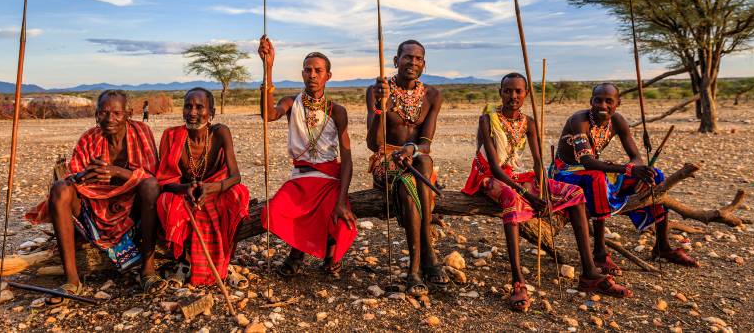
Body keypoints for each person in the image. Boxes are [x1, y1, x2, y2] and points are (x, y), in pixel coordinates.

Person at [462, 73, 631, 310]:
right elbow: (493, 167)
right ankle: (518, 282)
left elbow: (538, 163)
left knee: (573, 193)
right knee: (512, 198)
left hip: (518, 175)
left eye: (518, 91)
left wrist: (543, 188)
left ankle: (590, 273)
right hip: (490, 176)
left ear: (526, 94)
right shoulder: (487, 120)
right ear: (500, 93)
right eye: (508, 91)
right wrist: (529, 195)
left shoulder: (529, 122)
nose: (513, 96)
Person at [25, 90, 165, 304]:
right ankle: (72, 281)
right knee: (60, 189)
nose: (110, 119)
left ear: (129, 113)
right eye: (104, 112)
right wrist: (84, 175)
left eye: (117, 113)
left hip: (132, 209)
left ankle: (147, 272)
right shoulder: (90, 137)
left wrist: (117, 172)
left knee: (151, 186)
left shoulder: (141, 131)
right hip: (93, 208)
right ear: (96, 114)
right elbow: (74, 175)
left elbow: (152, 174)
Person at [551, 83, 699, 278]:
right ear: (591, 102)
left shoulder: (618, 121)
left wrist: (637, 171)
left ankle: (662, 246)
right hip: (566, 173)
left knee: (656, 176)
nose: (603, 105)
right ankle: (600, 253)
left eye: (609, 101)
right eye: (598, 100)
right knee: (597, 179)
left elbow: (636, 157)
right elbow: (587, 162)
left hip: (595, 168)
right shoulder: (580, 121)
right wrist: (629, 169)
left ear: (618, 103)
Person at [257, 35, 357, 278]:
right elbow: (269, 115)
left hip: (329, 178)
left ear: (328, 76)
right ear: (302, 74)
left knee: (336, 214)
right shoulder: (292, 103)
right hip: (301, 178)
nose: (312, 75)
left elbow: (347, 158)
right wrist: (268, 67)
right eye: (308, 70)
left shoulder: (338, 111)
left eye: (318, 71)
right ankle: (301, 253)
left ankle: (321, 254)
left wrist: (343, 199)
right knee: (272, 212)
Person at [366, 39, 449, 296]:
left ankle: (416, 267)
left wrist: (411, 150)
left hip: (416, 159)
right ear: (395, 60)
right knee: (405, 183)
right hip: (386, 158)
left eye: (418, 59)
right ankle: (424, 259)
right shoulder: (377, 90)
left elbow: (425, 143)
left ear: (424, 64)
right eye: (407, 57)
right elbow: (373, 144)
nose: (413, 62)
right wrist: (381, 109)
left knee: (422, 163)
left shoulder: (433, 95)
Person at [155, 87, 250, 286]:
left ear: (212, 113)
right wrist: (186, 189)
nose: (193, 112)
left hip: (215, 190)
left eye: (200, 107)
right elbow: (164, 181)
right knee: (166, 202)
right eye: (188, 106)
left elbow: (235, 177)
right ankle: (184, 262)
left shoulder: (221, 133)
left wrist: (209, 189)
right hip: (184, 193)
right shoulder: (172, 136)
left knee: (238, 196)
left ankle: (225, 262)